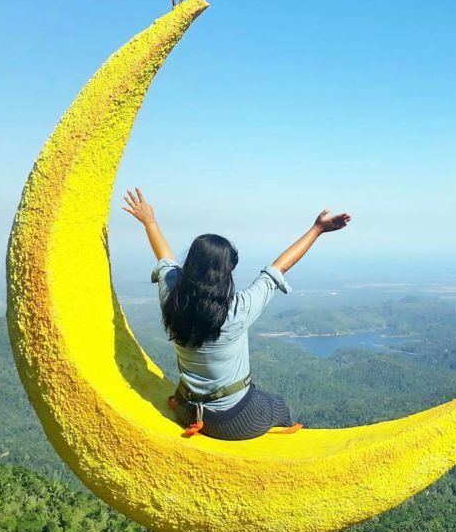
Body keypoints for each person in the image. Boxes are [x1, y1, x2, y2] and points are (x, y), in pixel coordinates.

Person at [121, 186, 351, 441]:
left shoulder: (171, 295)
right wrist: (317, 230)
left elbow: (165, 258)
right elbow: (279, 268)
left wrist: (149, 221)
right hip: (234, 421)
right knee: (277, 404)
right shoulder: (236, 310)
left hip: (187, 409)